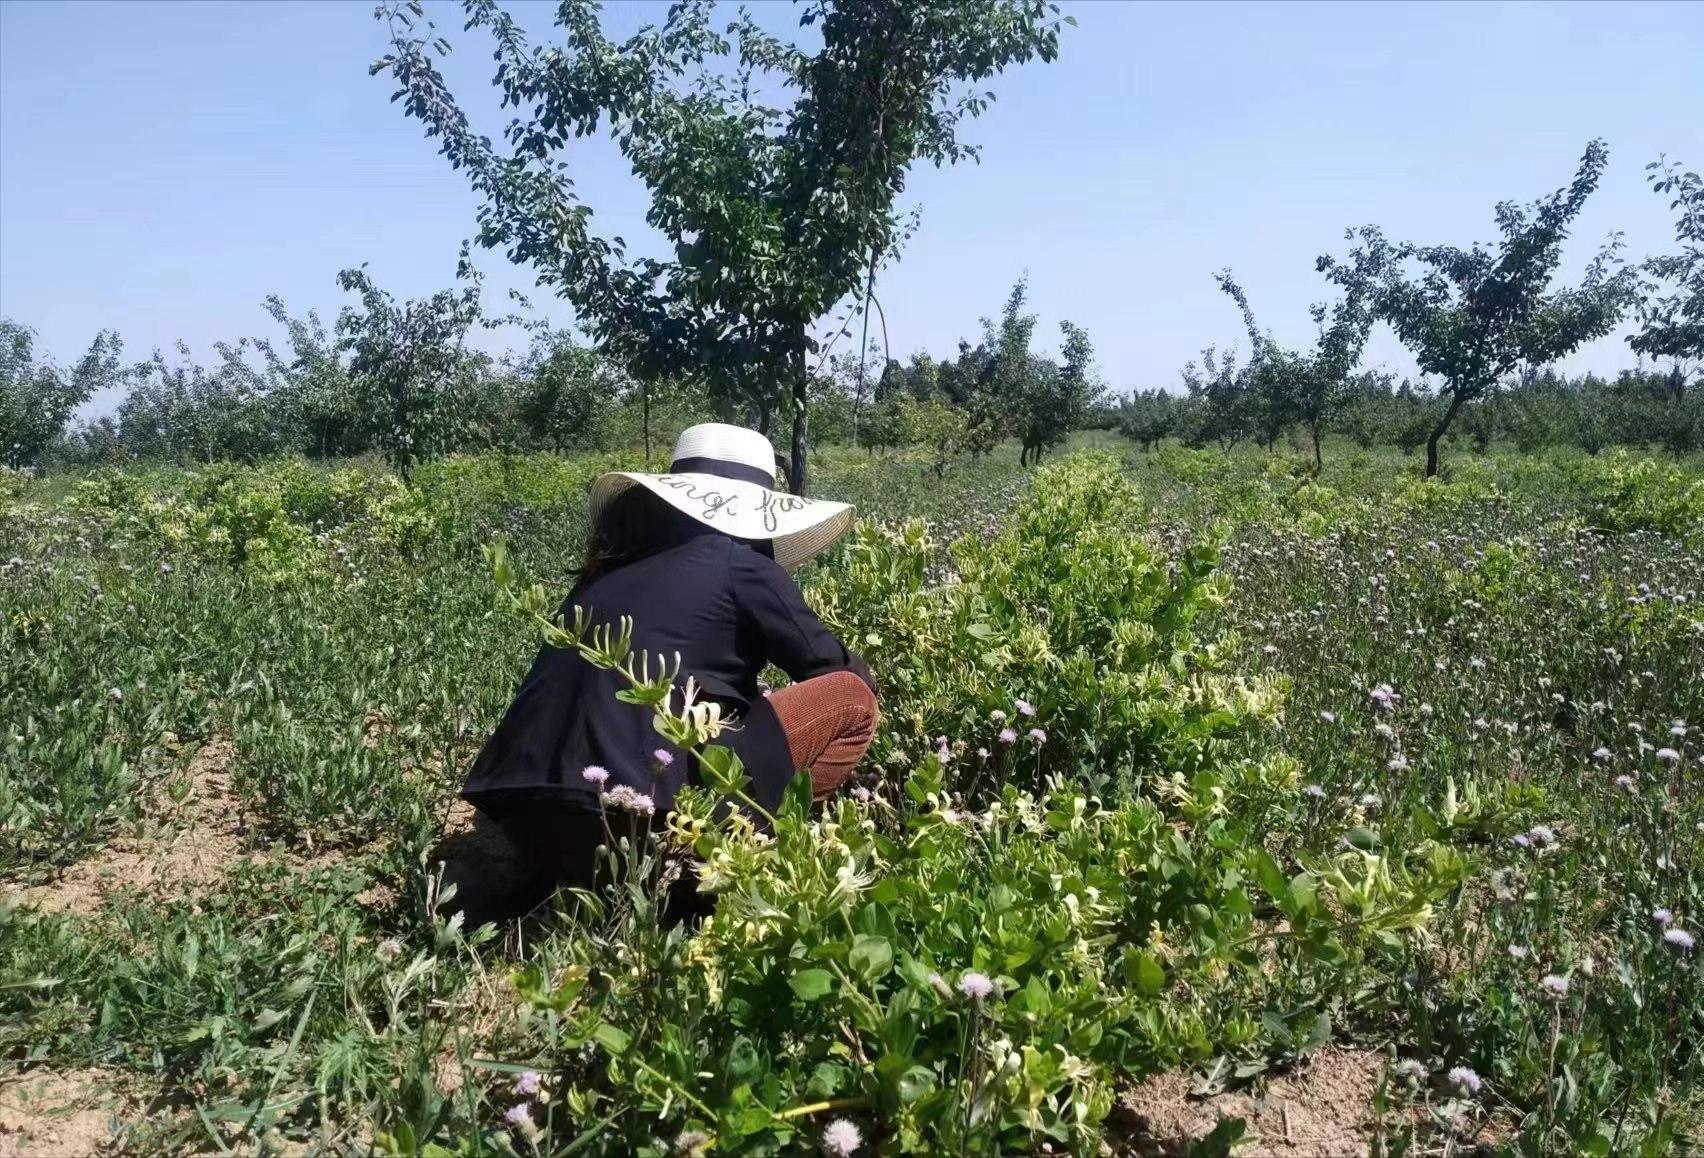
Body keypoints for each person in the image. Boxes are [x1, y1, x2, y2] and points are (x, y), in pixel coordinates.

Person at [463, 422, 878, 905]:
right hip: (648, 823)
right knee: (850, 699)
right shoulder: (739, 563)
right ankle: (737, 868)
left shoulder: (603, 571)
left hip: (527, 825)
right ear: (758, 513)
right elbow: (839, 673)